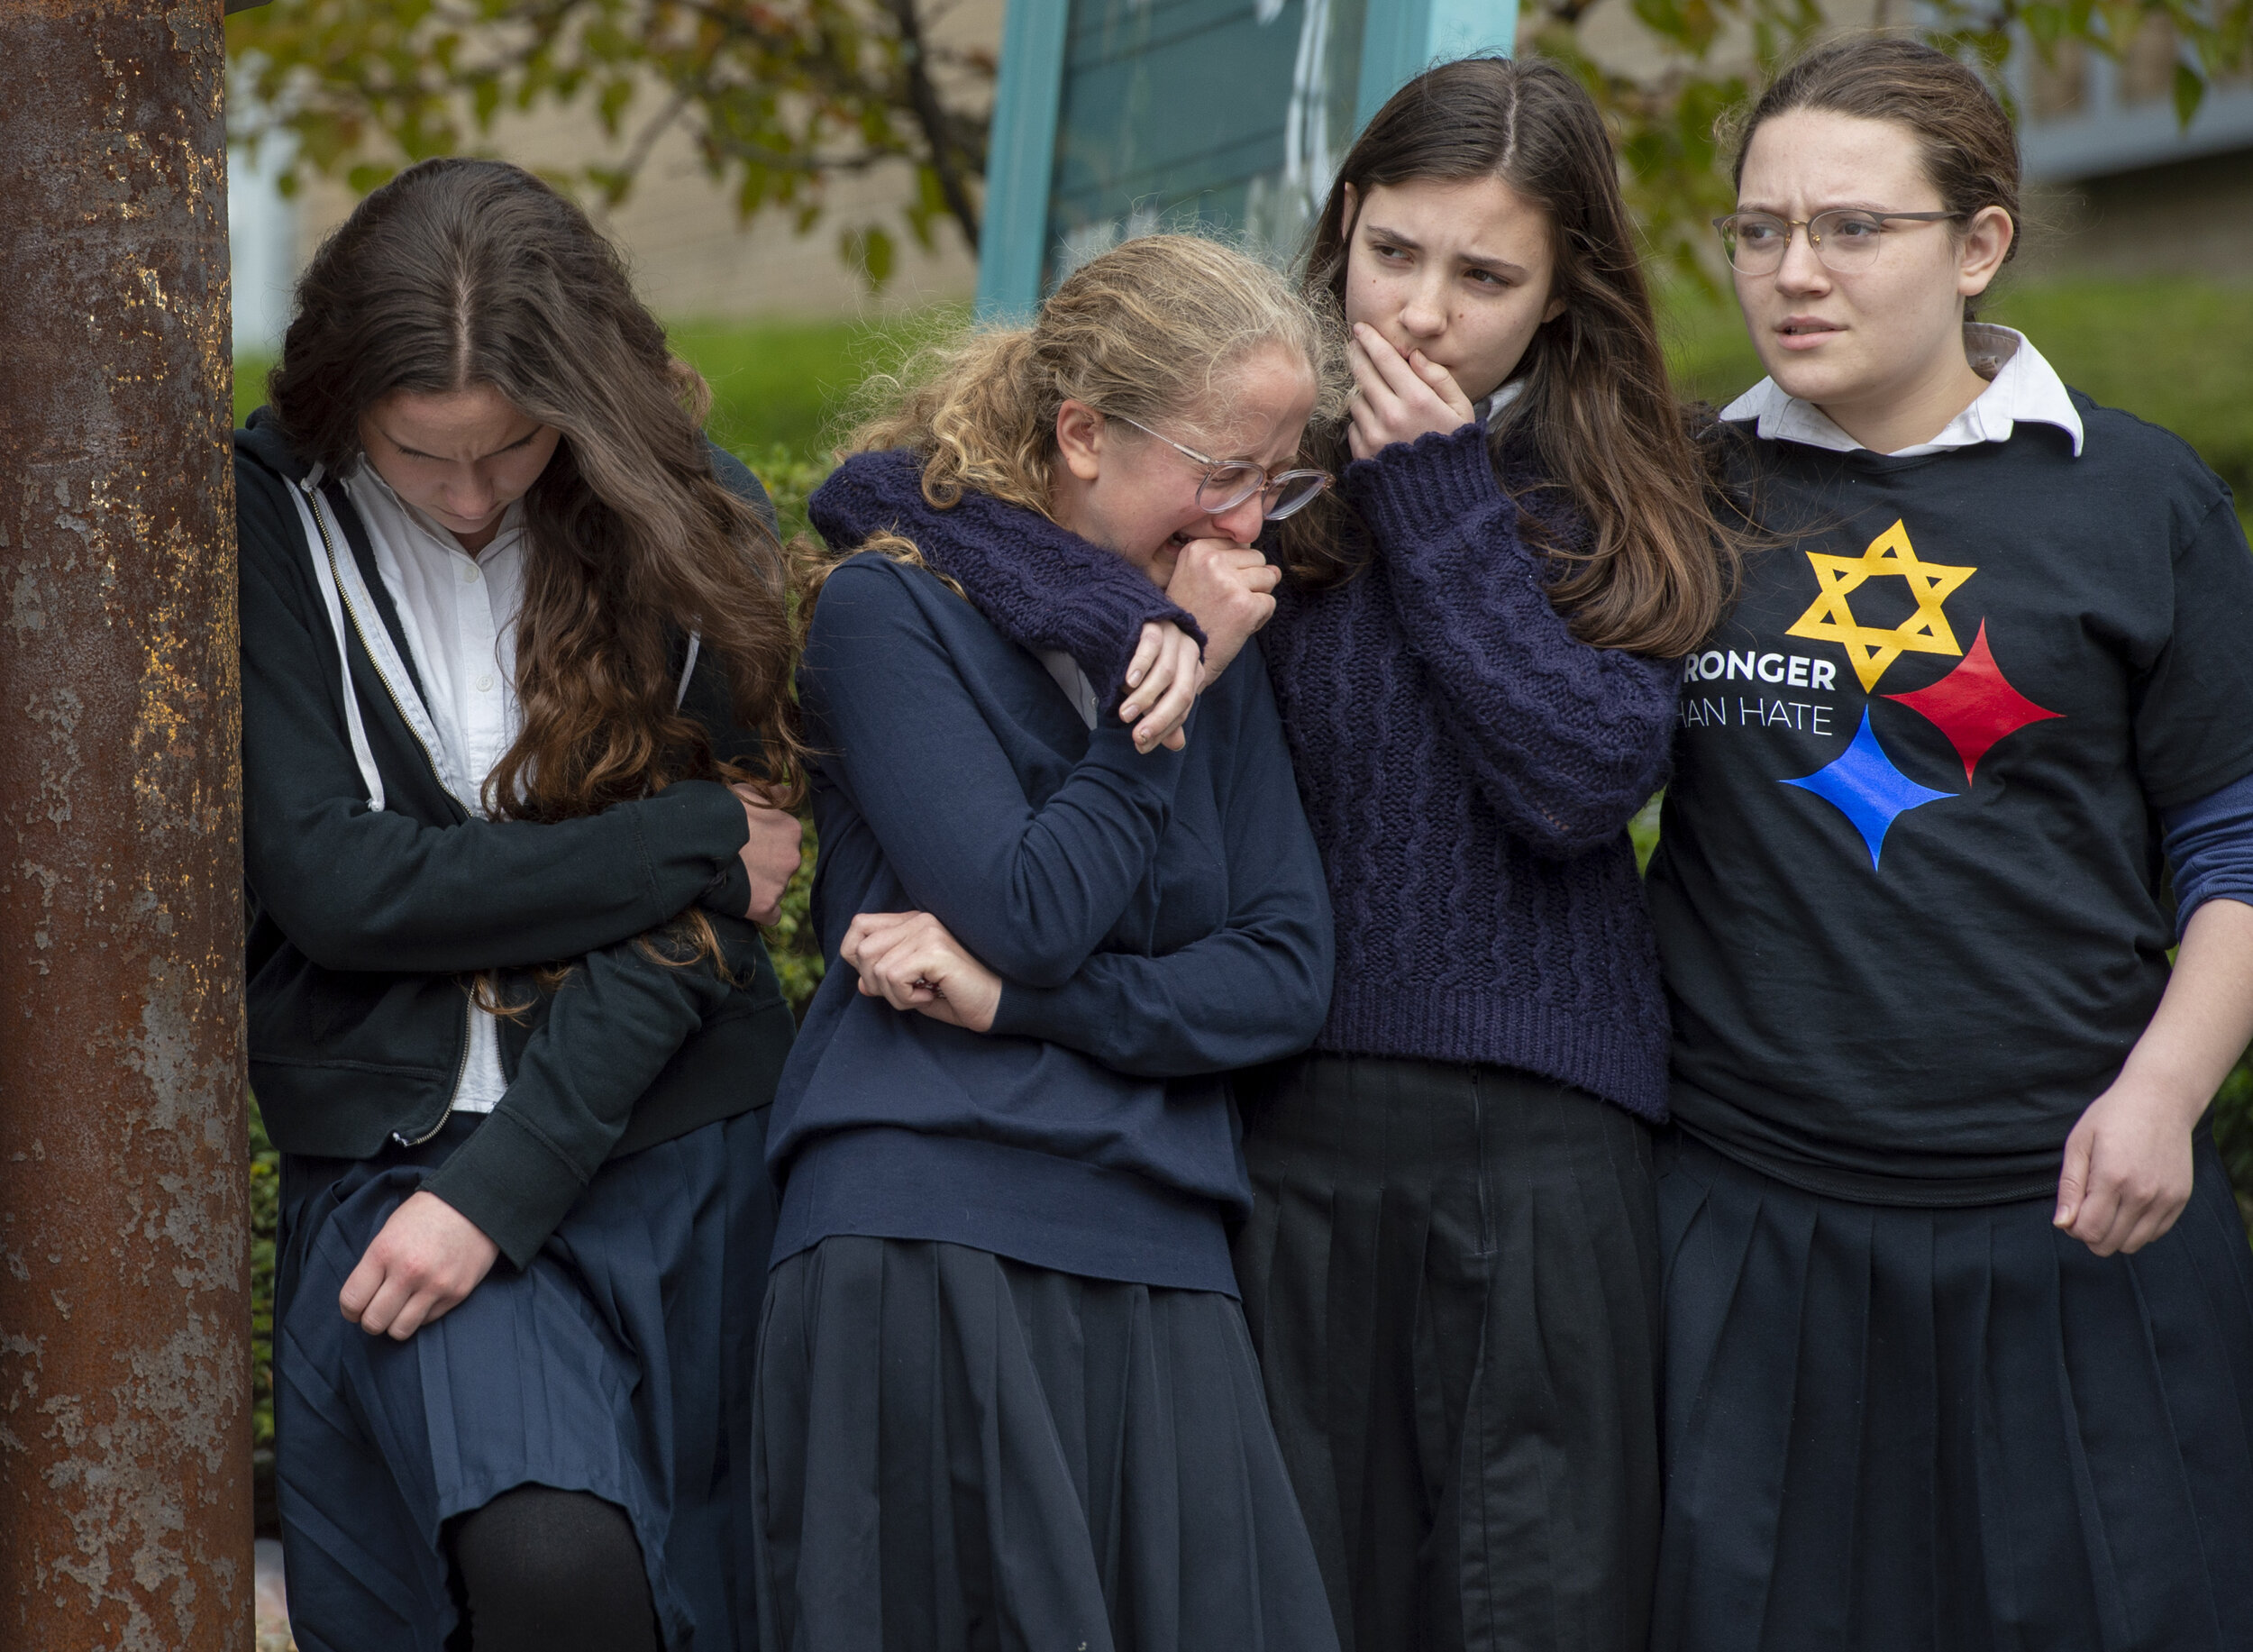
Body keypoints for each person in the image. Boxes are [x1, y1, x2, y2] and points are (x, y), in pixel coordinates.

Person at [898, 57, 1739, 1652]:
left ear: (1562, 298)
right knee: (1288, 1599)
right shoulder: (1250, 460)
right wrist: (1137, 619)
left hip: (1543, 1141)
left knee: (1530, 1599)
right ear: (1342, 224)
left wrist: (1433, 495)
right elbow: (907, 493)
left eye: (1488, 277)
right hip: (1280, 1118)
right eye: (1396, 253)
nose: (1424, 313)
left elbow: (1576, 775)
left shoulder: (1621, 489)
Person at [1644, 37, 2253, 1649]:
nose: (1795, 271)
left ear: (1977, 244)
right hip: (1742, 1227)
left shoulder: (2136, 496)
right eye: (1760, 229)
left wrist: (2165, 1095)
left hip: (2078, 1221)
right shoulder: (1682, 490)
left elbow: (2236, 835)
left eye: (1853, 228)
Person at [236, 157, 805, 1652]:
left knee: (706, 1602)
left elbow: (693, 942)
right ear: (343, 398)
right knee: (556, 1566)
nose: (475, 494)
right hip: (396, 1161)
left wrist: (503, 1191)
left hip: (672, 1138)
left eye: (515, 446)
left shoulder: (688, 508)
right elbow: (340, 886)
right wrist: (685, 833)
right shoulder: (263, 521)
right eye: (425, 453)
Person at [753, 233, 1344, 1652]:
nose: (1252, 524)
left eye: (1282, 478)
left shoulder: (1206, 616)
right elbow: (1032, 902)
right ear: (1083, 433)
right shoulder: (888, 608)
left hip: (1161, 1230)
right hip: (923, 1218)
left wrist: (1022, 1008)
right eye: (1225, 471)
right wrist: (1168, 693)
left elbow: (1283, 973)